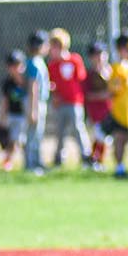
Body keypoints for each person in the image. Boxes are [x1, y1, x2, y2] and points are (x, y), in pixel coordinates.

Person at [45, 29, 91, 168]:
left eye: (54, 47)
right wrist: (54, 93)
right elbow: (51, 84)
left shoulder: (75, 60)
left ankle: (86, 156)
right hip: (60, 104)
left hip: (75, 102)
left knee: (78, 128)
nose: (51, 51)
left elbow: (81, 79)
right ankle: (59, 157)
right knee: (60, 131)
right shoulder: (52, 65)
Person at [106, 32, 128, 179]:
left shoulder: (127, 67)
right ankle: (119, 168)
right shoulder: (117, 68)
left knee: (126, 138)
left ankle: (121, 166)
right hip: (120, 111)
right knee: (120, 139)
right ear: (120, 49)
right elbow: (113, 90)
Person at [22, 29, 50, 174]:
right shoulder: (34, 63)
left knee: (38, 134)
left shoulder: (37, 62)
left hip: (38, 101)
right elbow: (33, 86)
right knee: (33, 134)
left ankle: (37, 162)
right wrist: (33, 110)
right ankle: (31, 164)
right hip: (35, 102)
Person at [0, 51, 29, 171]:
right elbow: (5, 101)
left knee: (21, 140)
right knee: (13, 140)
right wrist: (2, 118)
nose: (15, 68)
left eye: (17, 65)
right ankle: (7, 162)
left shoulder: (27, 82)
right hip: (13, 115)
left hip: (24, 115)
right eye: (12, 65)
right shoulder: (7, 83)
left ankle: (26, 162)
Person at [83, 41, 112, 171]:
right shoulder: (89, 75)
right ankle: (96, 161)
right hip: (95, 111)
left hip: (109, 110)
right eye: (96, 54)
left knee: (104, 138)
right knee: (101, 136)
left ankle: (94, 160)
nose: (100, 57)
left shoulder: (111, 71)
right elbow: (87, 95)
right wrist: (103, 94)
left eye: (102, 54)